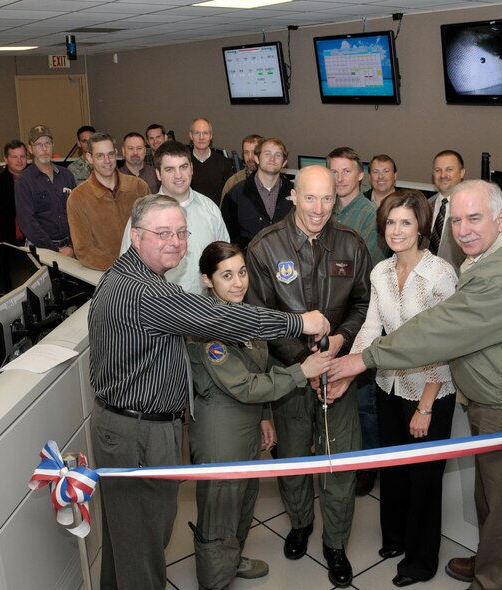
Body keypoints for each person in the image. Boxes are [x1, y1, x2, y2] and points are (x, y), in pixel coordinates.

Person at [328, 179, 502, 590]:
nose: (464, 230)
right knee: (490, 497)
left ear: (501, 217)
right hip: (493, 402)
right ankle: (489, 560)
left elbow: (435, 334)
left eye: (474, 218)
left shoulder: (497, 274)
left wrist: (360, 361)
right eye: (455, 220)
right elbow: (378, 323)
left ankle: (493, 579)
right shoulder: (490, 253)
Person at [88, 194, 331, 590]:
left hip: (138, 424)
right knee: (145, 543)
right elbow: (219, 318)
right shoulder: (145, 292)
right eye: (162, 233)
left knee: (129, 541)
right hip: (137, 431)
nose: (175, 241)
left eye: (182, 232)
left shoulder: (137, 278)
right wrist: (298, 322)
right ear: (136, 237)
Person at [244, 165, 371, 588]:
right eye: (311, 198)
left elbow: (361, 303)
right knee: (295, 460)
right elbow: (262, 318)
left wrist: (342, 340)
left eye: (328, 199)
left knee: (339, 464)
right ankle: (300, 524)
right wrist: (305, 364)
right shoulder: (264, 248)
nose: (319, 209)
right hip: (291, 377)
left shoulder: (351, 245)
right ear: (293, 196)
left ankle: (335, 544)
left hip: (339, 374)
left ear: (338, 199)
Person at [188, 241, 333, 590]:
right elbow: (244, 385)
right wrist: (302, 371)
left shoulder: (243, 313)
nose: (238, 283)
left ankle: (232, 559)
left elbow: (260, 364)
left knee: (244, 498)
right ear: (208, 280)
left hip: (247, 422)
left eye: (241, 272)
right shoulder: (209, 328)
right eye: (226, 276)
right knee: (221, 506)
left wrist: (265, 416)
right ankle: (214, 579)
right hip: (220, 430)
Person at [349, 189, 457, 587]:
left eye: (405, 222)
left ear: (421, 227)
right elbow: (370, 329)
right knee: (393, 470)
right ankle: (394, 538)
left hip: (430, 391)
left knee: (424, 480)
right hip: (389, 384)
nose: (396, 230)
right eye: (390, 222)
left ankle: (421, 560)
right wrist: (346, 368)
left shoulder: (440, 274)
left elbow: (448, 343)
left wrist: (426, 405)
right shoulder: (380, 272)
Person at [327, 146, 385, 496]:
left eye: (346, 172)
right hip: (329, 320)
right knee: (335, 393)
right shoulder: (324, 209)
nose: (339, 179)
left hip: (361, 318)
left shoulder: (369, 215)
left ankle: (368, 466)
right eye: (333, 172)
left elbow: (371, 273)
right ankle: (340, 457)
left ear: (360, 175)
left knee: (365, 402)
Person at [119, 140, 229, 294]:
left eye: (183, 167)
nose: (179, 175)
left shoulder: (210, 209)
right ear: (158, 174)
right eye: (170, 169)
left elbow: (224, 260)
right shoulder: (143, 216)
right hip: (162, 306)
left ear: (191, 168)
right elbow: (127, 271)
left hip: (205, 305)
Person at [68, 133, 149, 270]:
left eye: (110, 154)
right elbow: (84, 250)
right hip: (106, 276)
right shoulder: (78, 198)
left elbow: (152, 231)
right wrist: (122, 269)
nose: (107, 160)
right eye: (100, 156)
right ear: (89, 158)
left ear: (116, 154)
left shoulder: (139, 187)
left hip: (146, 269)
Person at [220, 137, 294, 249]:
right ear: (257, 159)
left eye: (278, 155)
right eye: (267, 154)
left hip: (286, 262)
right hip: (248, 261)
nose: (272, 158)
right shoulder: (236, 194)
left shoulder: (295, 194)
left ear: (284, 163)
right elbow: (226, 236)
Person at [15, 124, 76, 255]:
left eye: (47, 143)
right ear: (30, 149)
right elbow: (27, 222)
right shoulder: (24, 181)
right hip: (41, 249)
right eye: (39, 144)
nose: (44, 148)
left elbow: (77, 212)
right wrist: (54, 250)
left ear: (53, 144)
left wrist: (72, 245)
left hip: (70, 247)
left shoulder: (67, 175)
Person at [0, 139, 28, 245]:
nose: (19, 160)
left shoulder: (35, 181)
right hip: (8, 244)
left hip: (35, 242)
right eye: (14, 157)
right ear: (6, 159)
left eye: (22, 156)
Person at [429, 150, 467, 271]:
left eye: (449, 169)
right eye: (438, 170)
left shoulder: (472, 211)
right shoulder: (424, 206)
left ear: (462, 173)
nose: (443, 175)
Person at [188, 118, 233, 202]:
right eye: (197, 133)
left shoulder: (224, 163)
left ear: (211, 135)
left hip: (216, 213)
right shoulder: (183, 163)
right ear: (191, 136)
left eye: (205, 133)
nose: (201, 137)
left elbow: (229, 196)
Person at [220, 134, 263, 199]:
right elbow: (224, 208)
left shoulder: (273, 181)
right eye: (246, 152)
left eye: (254, 152)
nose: (250, 157)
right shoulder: (232, 182)